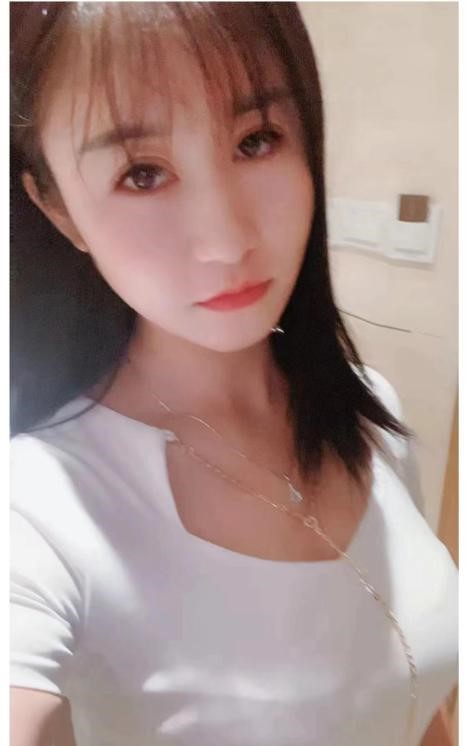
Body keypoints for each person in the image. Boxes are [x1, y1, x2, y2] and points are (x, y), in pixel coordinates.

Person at [9, 3, 457, 745]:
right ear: (58, 209)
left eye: (256, 140)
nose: (225, 239)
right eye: (142, 174)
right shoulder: (35, 509)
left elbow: (411, 694)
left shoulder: (370, 411)